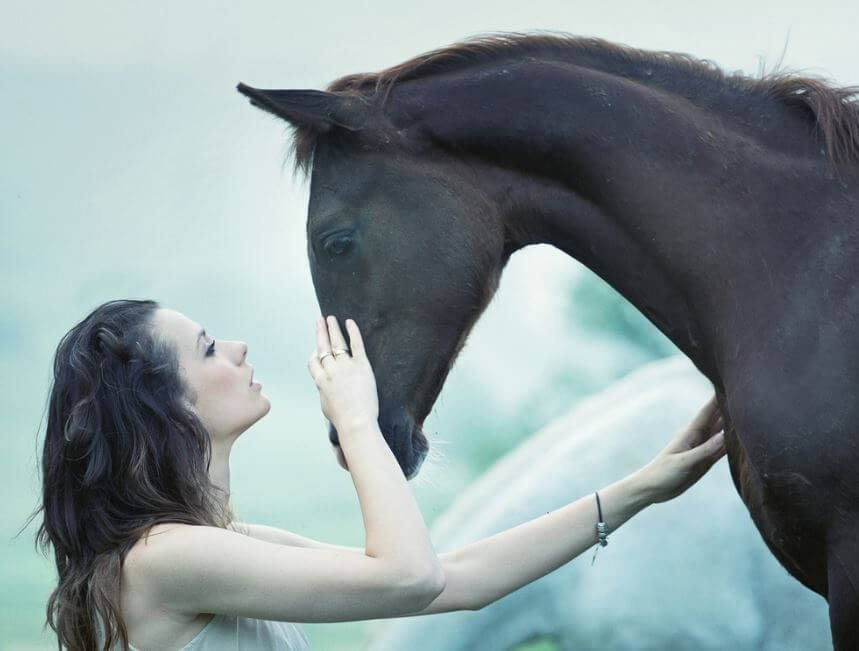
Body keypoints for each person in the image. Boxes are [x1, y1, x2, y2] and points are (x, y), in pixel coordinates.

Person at [36, 298, 726, 651]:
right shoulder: (166, 558)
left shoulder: (214, 545)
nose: (238, 346)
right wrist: (357, 420)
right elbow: (408, 574)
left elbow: (458, 579)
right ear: (164, 403)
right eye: (209, 347)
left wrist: (641, 487)